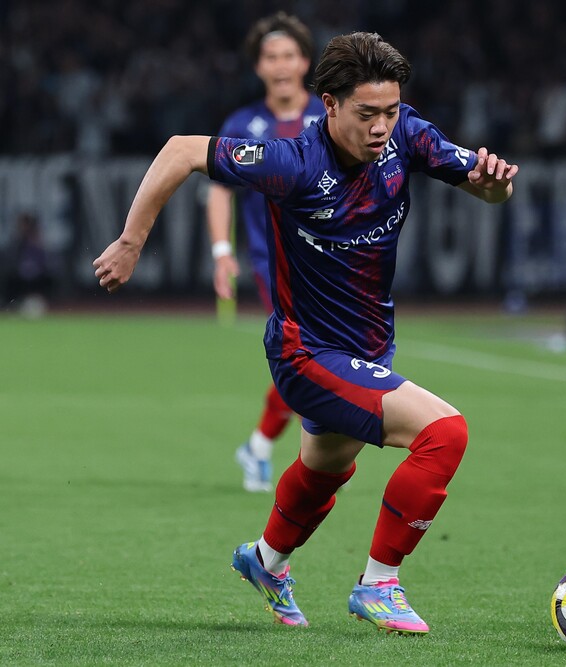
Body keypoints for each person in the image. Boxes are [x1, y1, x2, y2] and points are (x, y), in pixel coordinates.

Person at [93, 31, 518, 634]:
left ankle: (265, 561)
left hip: (369, 346)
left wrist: (496, 186)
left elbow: (487, 186)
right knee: (445, 433)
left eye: (391, 111)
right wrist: (131, 241)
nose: (381, 127)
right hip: (306, 353)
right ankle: (379, 584)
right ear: (331, 104)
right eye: (367, 113)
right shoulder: (292, 161)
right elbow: (180, 150)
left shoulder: (408, 135)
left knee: (325, 471)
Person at [206, 12, 326, 493]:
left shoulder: (330, 115)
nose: (280, 65)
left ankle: (271, 447)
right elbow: (220, 189)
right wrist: (221, 251)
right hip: (276, 264)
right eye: (270, 57)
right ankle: (279, 452)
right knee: (309, 356)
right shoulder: (244, 124)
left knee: (321, 358)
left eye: (288, 55)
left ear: (305, 62)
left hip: (333, 259)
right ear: (259, 66)